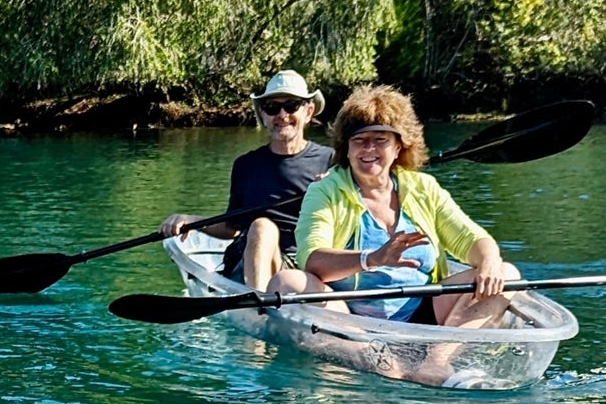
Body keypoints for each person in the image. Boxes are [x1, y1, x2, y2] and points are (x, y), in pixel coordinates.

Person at [274, 85, 513, 326]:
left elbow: (471, 239)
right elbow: (313, 260)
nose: (369, 149)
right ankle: (374, 357)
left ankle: (438, 361)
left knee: (506, 273)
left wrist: (489, 261)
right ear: (346, 148)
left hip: (423, 312)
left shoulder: (424, 187)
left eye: (380, 140)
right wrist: (373, 258)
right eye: (359, 140)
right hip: (349, 318)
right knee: (287, 282)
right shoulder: (325, 190)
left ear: (398, 147)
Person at [160, 70, 332, 288]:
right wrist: (191, 221)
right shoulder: (246, 165)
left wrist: (334, 188)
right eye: (272, 108)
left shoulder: (332, 162)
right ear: (262, 115)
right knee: (262, 227)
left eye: (291, 106)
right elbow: (232, 226)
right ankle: (257, 302)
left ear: (308, 112)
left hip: (305, 267)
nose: (281, 115)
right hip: (249, 260)